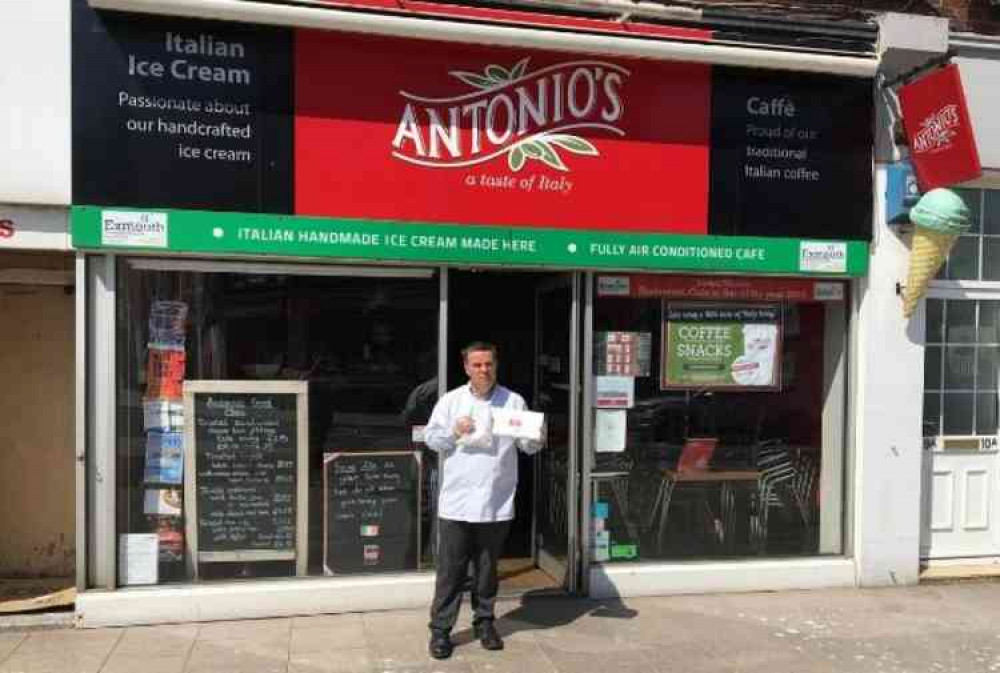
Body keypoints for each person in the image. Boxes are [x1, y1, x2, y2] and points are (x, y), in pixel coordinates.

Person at [423, 341, 542, 660]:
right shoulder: (451, 401)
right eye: (477, 365)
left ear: (496, 365)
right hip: (457, 500)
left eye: (488, 364)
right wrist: (453, 431)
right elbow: (431, 439)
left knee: (487, 569)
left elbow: (527, 448)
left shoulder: (512, 401)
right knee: (451, 570)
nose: (483, 370)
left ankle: (485, 622)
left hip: (496, 498)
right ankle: (441, 631)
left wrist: (535, 438)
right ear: (466, 368)